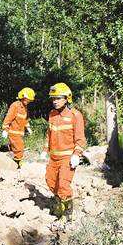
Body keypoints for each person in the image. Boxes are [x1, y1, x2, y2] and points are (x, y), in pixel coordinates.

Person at [40, 82, 86, 221]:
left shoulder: (75, 115)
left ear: (67, 98)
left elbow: (80, 138)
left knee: (63, 185)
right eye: (53, 99)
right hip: (53, 157)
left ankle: (67, 215)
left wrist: (76, 155)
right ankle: (59, 205)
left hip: (67, 158)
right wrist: (44, 150)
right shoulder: (52, 114)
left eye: (58, 98)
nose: (55, 101)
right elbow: (49, 134)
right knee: (50, 181)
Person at [2, 87, 35, 168]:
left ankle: (0, 149)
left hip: (20, 133)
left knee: (14, 147)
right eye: (26, 99)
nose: (27, 101)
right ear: (22, 97)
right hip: (13, 132)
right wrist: (5, 129)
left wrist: (28, 128)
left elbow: (25, 119)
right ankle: (17, 164)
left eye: (29, 100)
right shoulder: (15, 105)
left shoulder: (25, 108)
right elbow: (8, 117)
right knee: (19, 147)